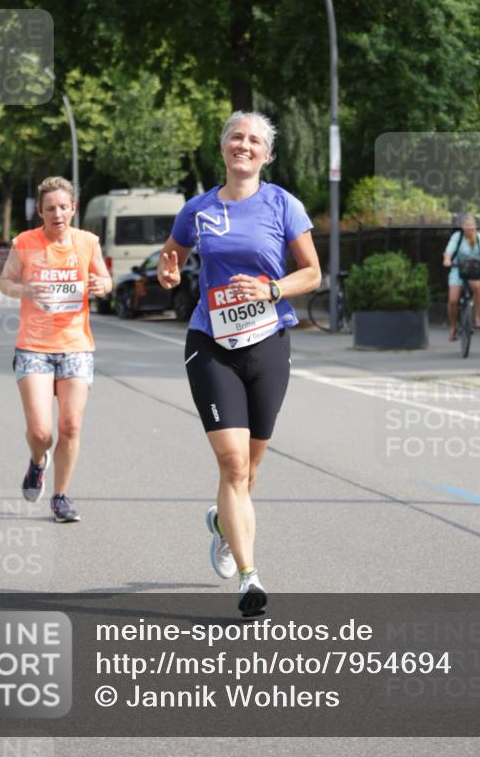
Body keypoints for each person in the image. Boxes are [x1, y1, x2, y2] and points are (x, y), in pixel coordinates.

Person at [157, 111, 321, 615]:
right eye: (236, 137)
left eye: (254, 140)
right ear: (223, 146)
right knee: (230, 465)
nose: (243, 145)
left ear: (266, 155)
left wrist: (272, 288)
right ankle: (250, 580)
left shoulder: (283, 205)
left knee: (249, 471)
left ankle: (223, 526)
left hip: (267, 342)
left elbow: (312, 273)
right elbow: (173, 255)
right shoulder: (197, 210)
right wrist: (168, 271)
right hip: (210, 342)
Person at [0, 176, 112, 523]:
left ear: (73, 208)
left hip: (76, 346)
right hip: (33, 346)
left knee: (71, 426)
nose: (58, 213)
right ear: (40, 211)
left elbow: (106, 281)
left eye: (64, 207)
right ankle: (37, 462)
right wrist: (27, 291)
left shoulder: (87, 242)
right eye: (50, 208)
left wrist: (101, 284)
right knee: (40, 433)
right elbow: (5, 282)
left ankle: (60, 497)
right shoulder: (25, 242)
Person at [443, 214, 480, 340]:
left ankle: (476, 317)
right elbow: (449, 250)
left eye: (472, 225)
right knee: (453, 300)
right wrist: (447, 259)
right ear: (462, 227)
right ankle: (453, 327)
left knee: (476, 286)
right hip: (457, 268)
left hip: (474, 269)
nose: (469, 228)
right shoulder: (457, 237)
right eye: (467, 225)